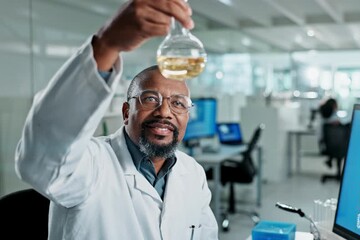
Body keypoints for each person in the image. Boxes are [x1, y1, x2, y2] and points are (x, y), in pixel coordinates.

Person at [14, 0, 218, 239]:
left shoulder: (192, 172)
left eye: (178, 103)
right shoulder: (90, 166)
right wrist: (108, 43)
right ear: (125, 112)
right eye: (150, 99)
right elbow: (41, 160)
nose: (164, 112)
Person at [317, 98, 341, 168]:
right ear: (334, 106)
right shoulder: (334, 120)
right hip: (334, 146)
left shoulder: (322, 118)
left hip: (324, 145)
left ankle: (330, 160)